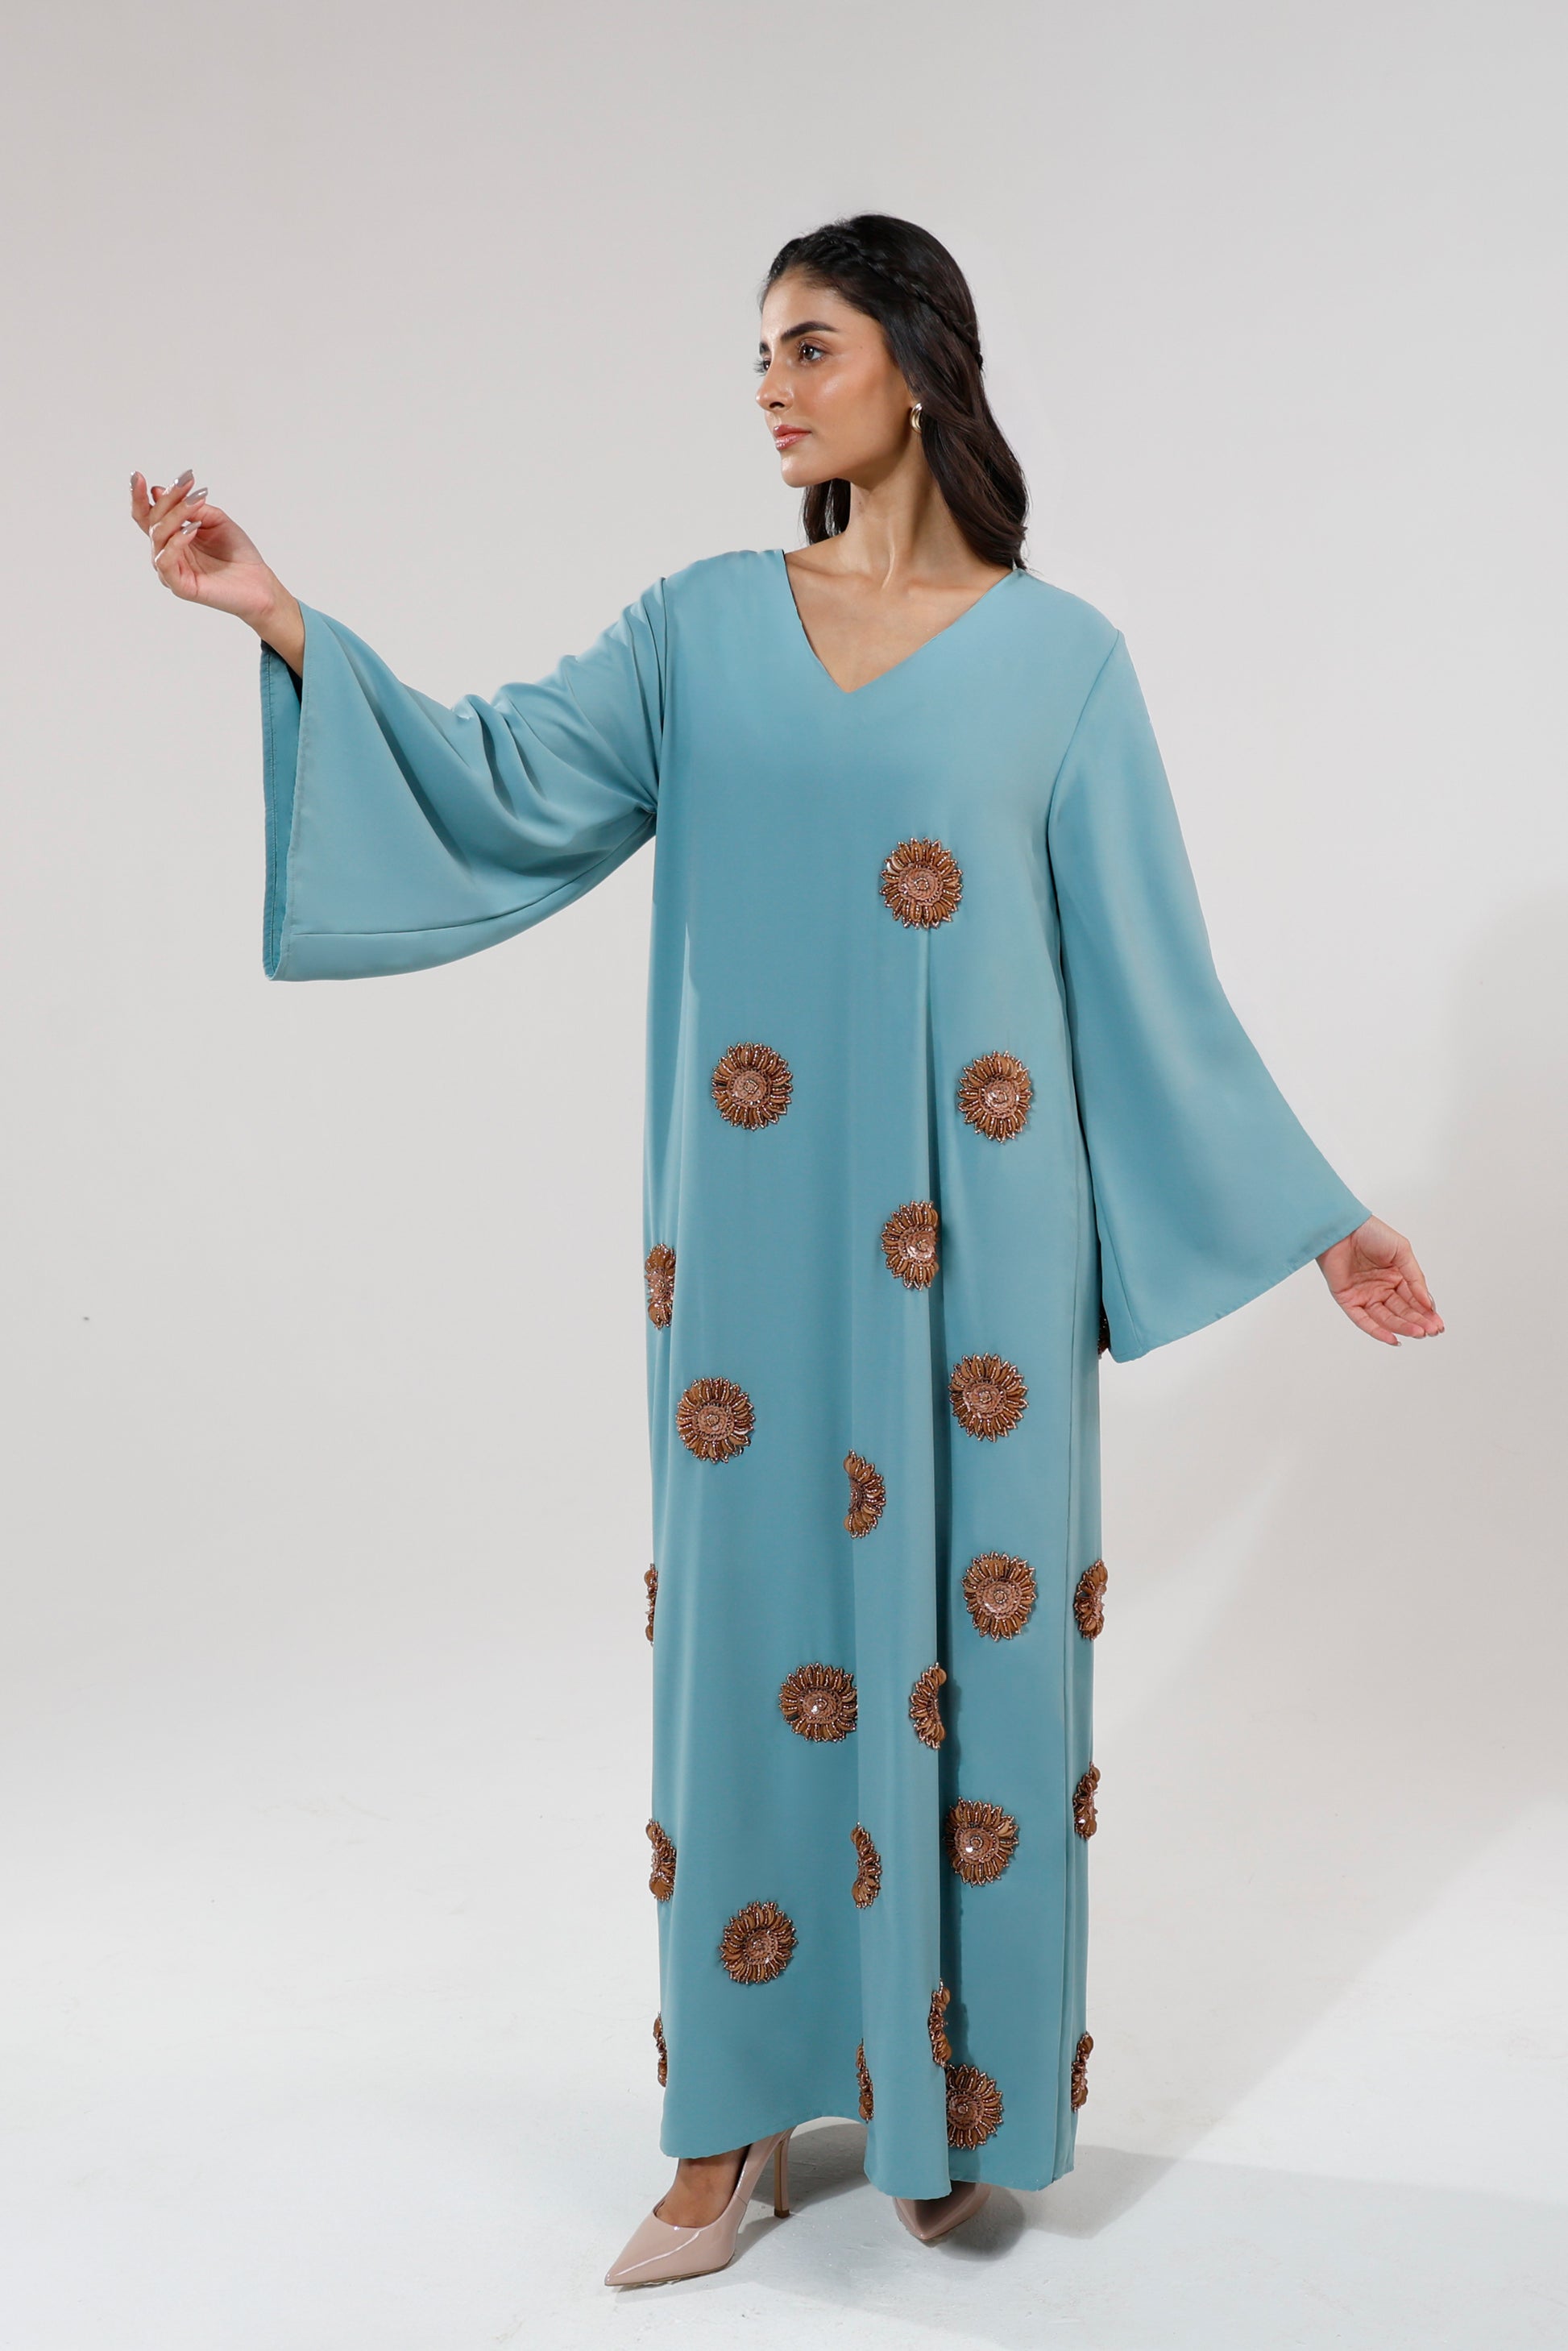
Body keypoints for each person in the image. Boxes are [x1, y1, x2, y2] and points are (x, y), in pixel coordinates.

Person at [131, 212, 1441, 2287]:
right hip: (752, 1260)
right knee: (750, 1649)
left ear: (916, 364)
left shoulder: (1065, 662)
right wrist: (281, 618)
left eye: (808, 346)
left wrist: (1318, 1218)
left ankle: (942, 2108)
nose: (769, 387)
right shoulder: (698, 630)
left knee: (980, 1653)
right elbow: (496, 779)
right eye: (758, 354)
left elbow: (1154, 984)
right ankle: (729, 2129)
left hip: (988, 1272)